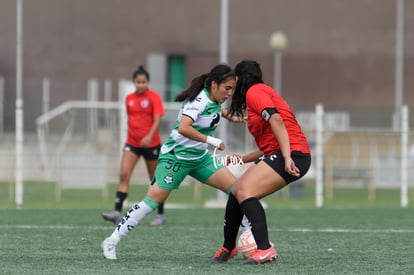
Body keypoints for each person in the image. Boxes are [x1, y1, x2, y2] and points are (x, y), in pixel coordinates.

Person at [101, 63, 246, 260]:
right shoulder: (198, 101)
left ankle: (250, 239)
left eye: (232, 89)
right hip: (176, 158)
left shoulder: (214, 99)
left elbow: (216, 111)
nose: (229, 93)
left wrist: (235, 118)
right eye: (227, 88)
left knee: (239, 192)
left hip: (200, 159)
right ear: (214, 84)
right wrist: (212, 140)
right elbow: (184, 128)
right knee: (152, 202)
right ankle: (111, 241)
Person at [212, 60, 311, 264]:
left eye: (233, 83)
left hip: (294, 154)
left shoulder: (254, 92)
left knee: (246, 192)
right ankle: (228, 247)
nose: (232, 89)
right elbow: (269, 145)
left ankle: (265, 249)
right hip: (284, 152)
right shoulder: (258, 93)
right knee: (237, 191)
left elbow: (276, 121)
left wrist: (286, 157)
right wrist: (243, 158)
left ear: (238, 79)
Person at [101, 65, 167, 226]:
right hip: (132, 143)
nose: (140, 85)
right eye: (138, 82)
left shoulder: (154, 97)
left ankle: (160, 214)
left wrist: (149, 136)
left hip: (151, 144)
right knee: (124, 174)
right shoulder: (129, 98)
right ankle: (116, 212)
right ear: (134, 82)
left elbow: (157, 119)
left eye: (143, 82)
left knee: (155, 180)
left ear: (148, 82)